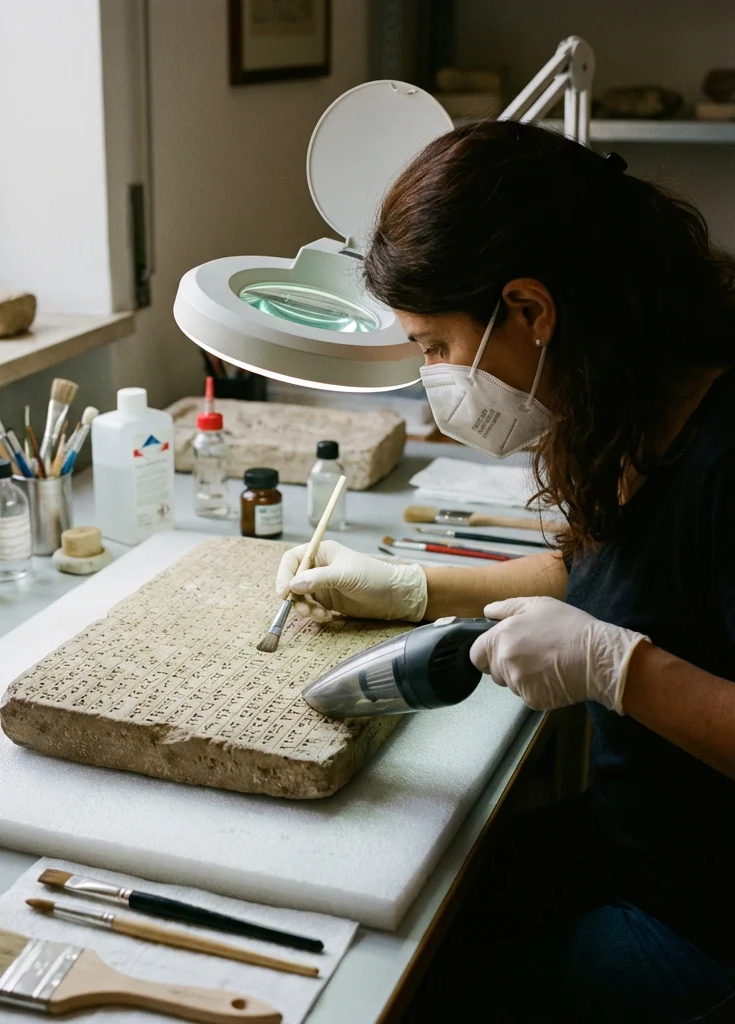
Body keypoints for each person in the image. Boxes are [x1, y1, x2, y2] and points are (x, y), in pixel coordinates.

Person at [276, 120, 735, 1023]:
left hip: (707, 923)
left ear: (529, 311)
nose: (433, 377)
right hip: (636, 845)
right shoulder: (639, 402)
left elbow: (626, 624)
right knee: (383, 917)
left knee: (398, 999)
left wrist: (620, 670)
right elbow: (617, 572)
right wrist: (411, 587)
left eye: (434, 346)